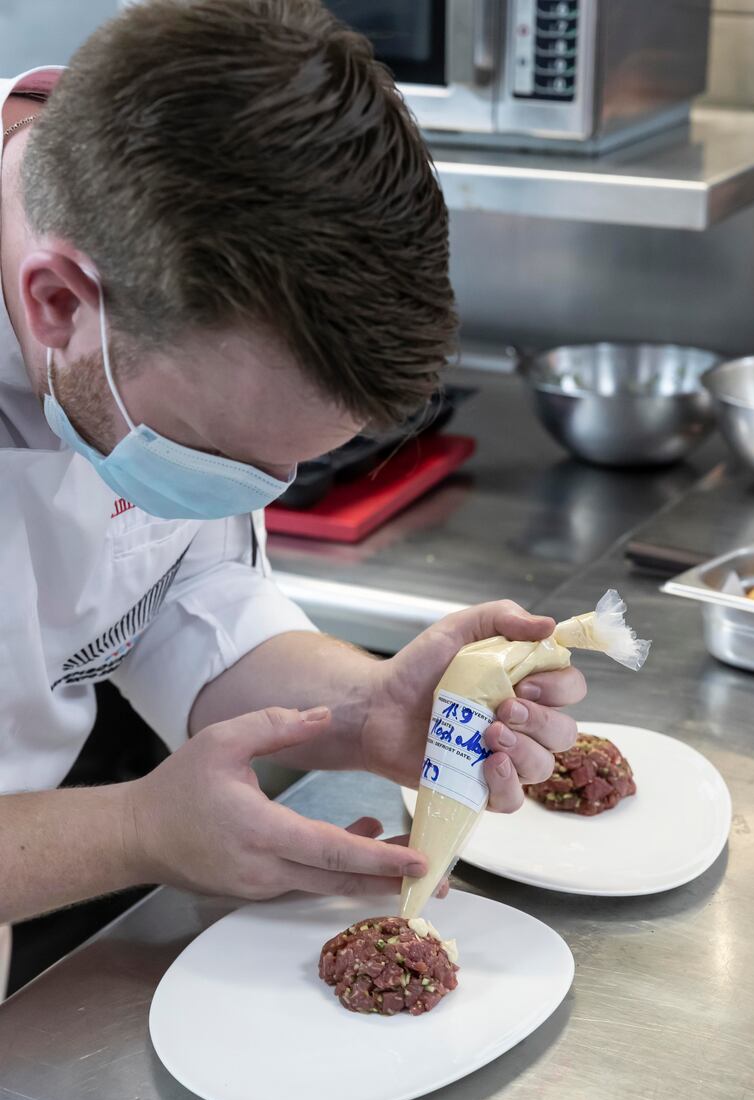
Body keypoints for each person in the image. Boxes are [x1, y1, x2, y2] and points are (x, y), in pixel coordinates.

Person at [0, 0, 585, 995]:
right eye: (217, 454)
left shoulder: (162, 249)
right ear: (57, 304)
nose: (249, 493)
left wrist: (365, 710)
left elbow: (181, 605)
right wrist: (141, 829)